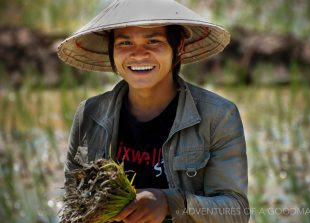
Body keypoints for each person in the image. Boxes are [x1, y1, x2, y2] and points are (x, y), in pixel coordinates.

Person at [57, 0, 249, 222]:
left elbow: (236, 211)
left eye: (153, 41)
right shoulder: (89, 114)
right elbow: (74, 205)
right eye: (125, 43)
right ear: (111, 50)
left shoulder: (218, 117)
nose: (139, 55)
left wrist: (168, 203)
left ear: (178, 48)